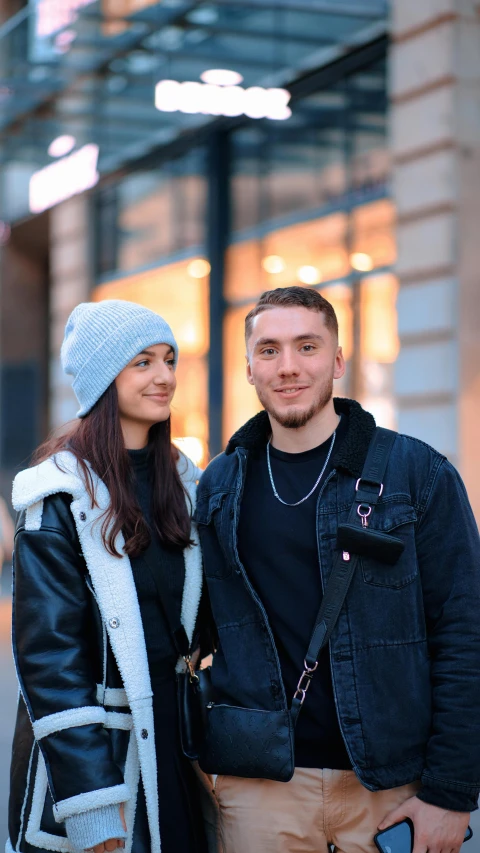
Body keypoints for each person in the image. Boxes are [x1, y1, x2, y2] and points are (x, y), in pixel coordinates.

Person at [195, 286, 480, 853]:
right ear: (249, 368)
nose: (289, 367)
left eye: (307, 346)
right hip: (260, 786)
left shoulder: (416, 472)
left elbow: (464, 632)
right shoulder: (220, 484)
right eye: (270, 350)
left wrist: (451, 792)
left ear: (338, 361)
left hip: (388, 784)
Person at [7, 300, 209, 853]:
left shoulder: (187, 487)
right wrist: (94, 808)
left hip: (175, 747)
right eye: (142, 362)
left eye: (169, 359)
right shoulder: (58, 498)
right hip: (99, 764)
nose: (165, 376)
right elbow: (49, 662)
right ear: (103, 379)